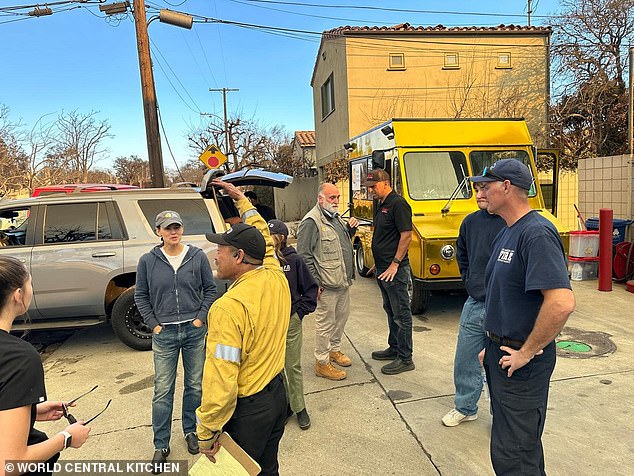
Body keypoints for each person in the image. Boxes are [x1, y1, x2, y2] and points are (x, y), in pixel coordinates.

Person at [470, 159, 575, 475]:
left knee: (516, 456)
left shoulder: (536, 233)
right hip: (502, 355)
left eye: (486, 185)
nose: (481, 191)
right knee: (510, 447)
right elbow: (508, 297)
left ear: (506, 187)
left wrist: (526, 351)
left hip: (524, 365)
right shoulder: (508, 231)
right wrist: (493, 344)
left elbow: (561, 302)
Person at [196, 180, 291, 476]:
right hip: (277, 396)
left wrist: (207, 430)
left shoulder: (227, 308)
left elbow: (221, 378)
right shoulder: (275, 277)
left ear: (238, 256)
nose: (215, 255)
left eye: (220, 250)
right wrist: (242, 202)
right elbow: (263, 237)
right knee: (267, 468)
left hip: (248, 410)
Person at [135, 210, 216, 472]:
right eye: (167, 228)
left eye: (177, 227)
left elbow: (211, 289)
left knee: (194, 385)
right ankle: (161, 444)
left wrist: (200, 318)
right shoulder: (148, 261)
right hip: (165, 333)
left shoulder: (197, 256)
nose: (173, 232)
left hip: (193, 331)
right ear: (158, 231)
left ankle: (191, 431)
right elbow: (140, 295)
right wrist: (153, 324)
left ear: (182, 229)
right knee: (163, 390)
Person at [0, 256, 91, 475]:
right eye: (30, 282)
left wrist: (31, 411)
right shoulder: (18, 358)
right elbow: (10, 463)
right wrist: (66, 438)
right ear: (18, 295)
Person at [442, 184, 506, 427]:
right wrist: (469, 281)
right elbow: (463, 254)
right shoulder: (470, 222)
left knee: (499, 363)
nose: (479, 194)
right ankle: (466, 407)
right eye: (476, 189)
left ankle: (502, 418)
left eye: (484, 189)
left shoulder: (512, 224)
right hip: (475, 301)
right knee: (465, 357)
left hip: (503, 307)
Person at [297, 183, 358, 381]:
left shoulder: (336, 218)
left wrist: (350, 230)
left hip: (341, 281)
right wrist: (314, 284)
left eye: (337, 197)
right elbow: (303, 255)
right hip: (326, 285)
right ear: (320, 199)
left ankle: (334, 351)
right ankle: (322, 362)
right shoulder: (311, 221)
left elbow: (341, 245)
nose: (336, 201)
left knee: (341, 319)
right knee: (325, 324)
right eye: (332, 198)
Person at [269, 219, 318, 430]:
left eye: (272, 236)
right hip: (269, 323)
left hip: (291, 320)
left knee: (292, 366)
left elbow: (310, 288)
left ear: (280, 237)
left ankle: (300, 407)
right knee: (274, 369)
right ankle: (284, 407)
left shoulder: (294, 260)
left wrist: (299, 313)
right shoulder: (263, 262)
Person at [365, 169, 415, 375]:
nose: (371, 191)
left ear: (385, 183)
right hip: (383, 268)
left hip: (395, 270)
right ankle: (394, 348)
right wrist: (379, 263)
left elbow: (406, 235)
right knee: (390, 310)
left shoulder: (398, 204)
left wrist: (395, 263)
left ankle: (405, 358)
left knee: (401, 314)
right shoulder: (382, 205)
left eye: (373, 186)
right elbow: (385, 237)